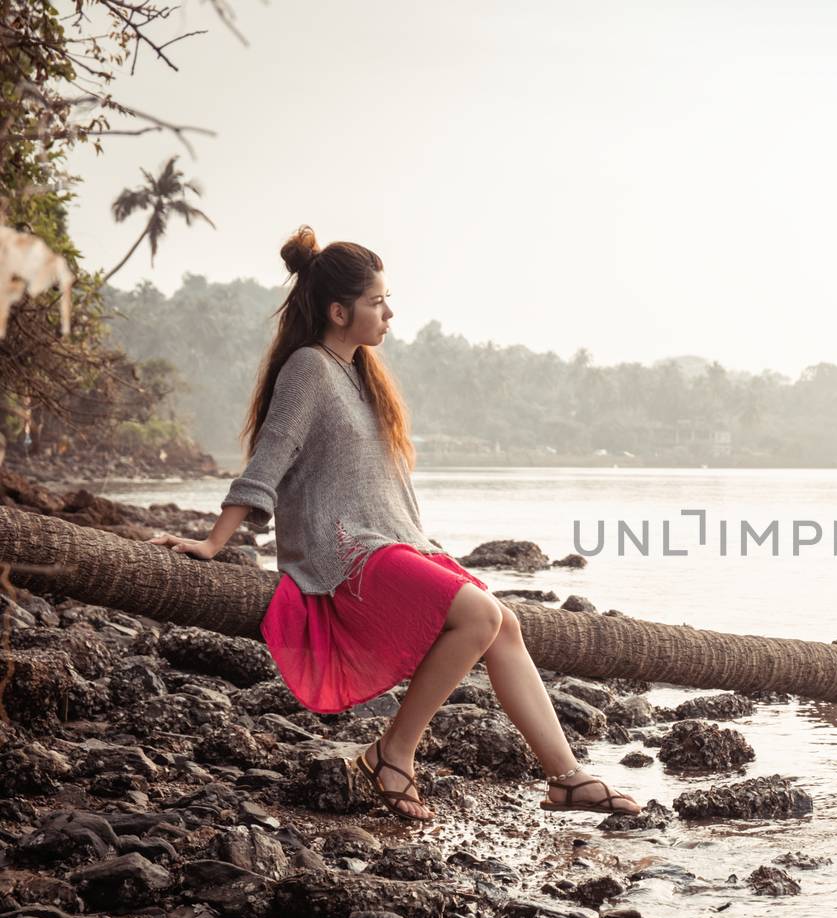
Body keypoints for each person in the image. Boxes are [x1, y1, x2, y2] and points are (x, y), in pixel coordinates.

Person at [146, 226, 641, 821]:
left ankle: (566, 778)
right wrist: (213, 540)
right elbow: (268, 459)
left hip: (392, 544)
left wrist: (424, 550)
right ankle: (394, 752)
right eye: (377, 302)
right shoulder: (308, 367)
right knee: (481, 613)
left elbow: (379, 487)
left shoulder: (359, 374)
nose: (389, 313)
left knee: (502, 624)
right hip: (345, 554)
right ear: (338, 310)